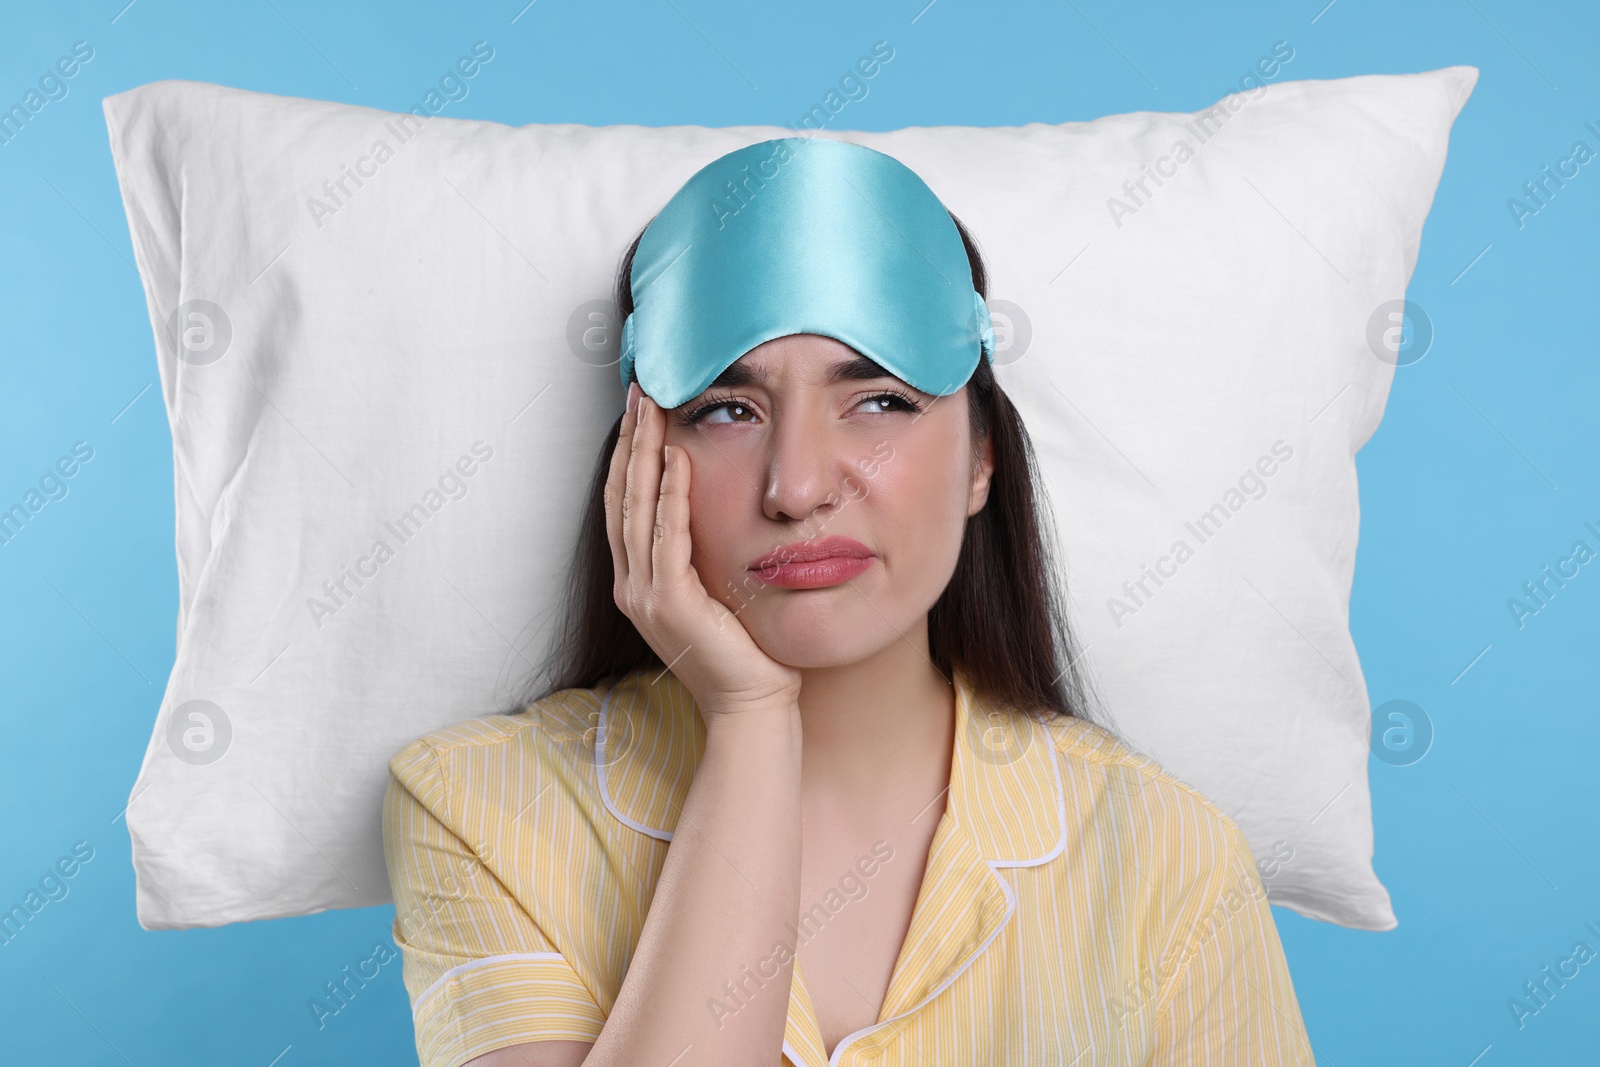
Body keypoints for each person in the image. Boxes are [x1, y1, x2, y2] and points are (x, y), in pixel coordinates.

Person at [382, 136, 1314, 1067]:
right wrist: (749, 720)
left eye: (877, 401)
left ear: (981, 457)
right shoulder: (482, 806)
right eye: (725, 409)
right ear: (641, 460)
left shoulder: (1170, 860)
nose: (795, 485)